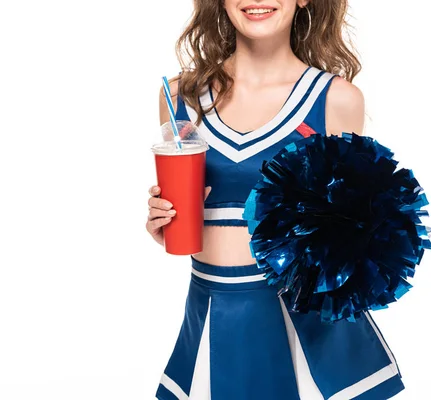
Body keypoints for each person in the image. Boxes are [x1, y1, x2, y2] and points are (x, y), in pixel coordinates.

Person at [146, 1, 405, 399]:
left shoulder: (336, 99)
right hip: (211, 314)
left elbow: (360, 233)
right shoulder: (181, 98)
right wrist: (168, 222)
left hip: (306, 334)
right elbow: (186, 208)